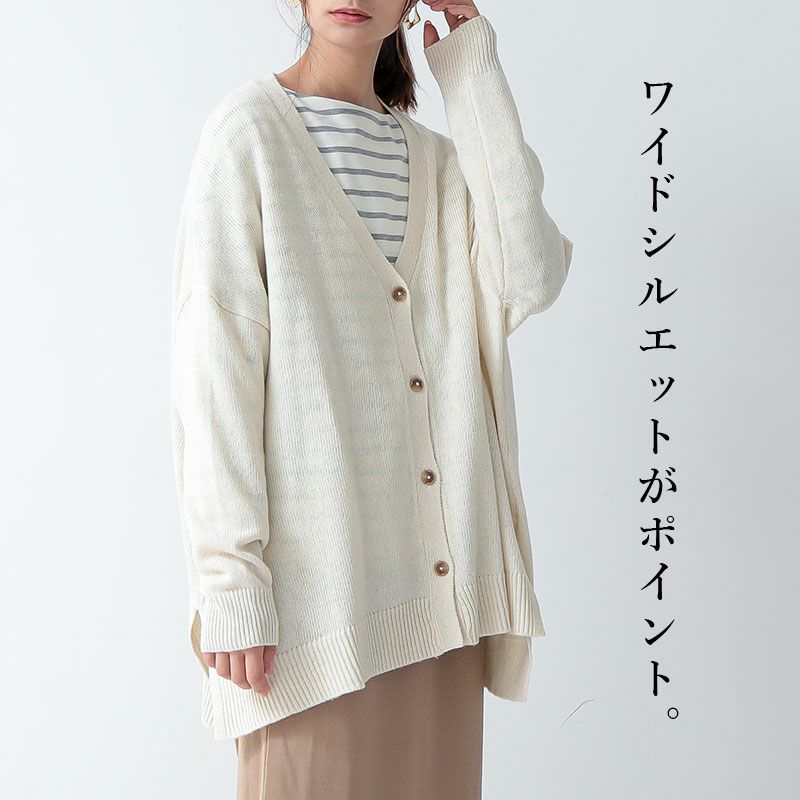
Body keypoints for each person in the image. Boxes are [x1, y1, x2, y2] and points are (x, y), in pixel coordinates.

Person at [170, 1, 574, 797]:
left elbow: (530, 275)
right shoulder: (250, 136)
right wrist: (230, 583)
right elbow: (213, 370)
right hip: (311, 619)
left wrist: (471, 67)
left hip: (444, 611)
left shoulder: (443, 164)